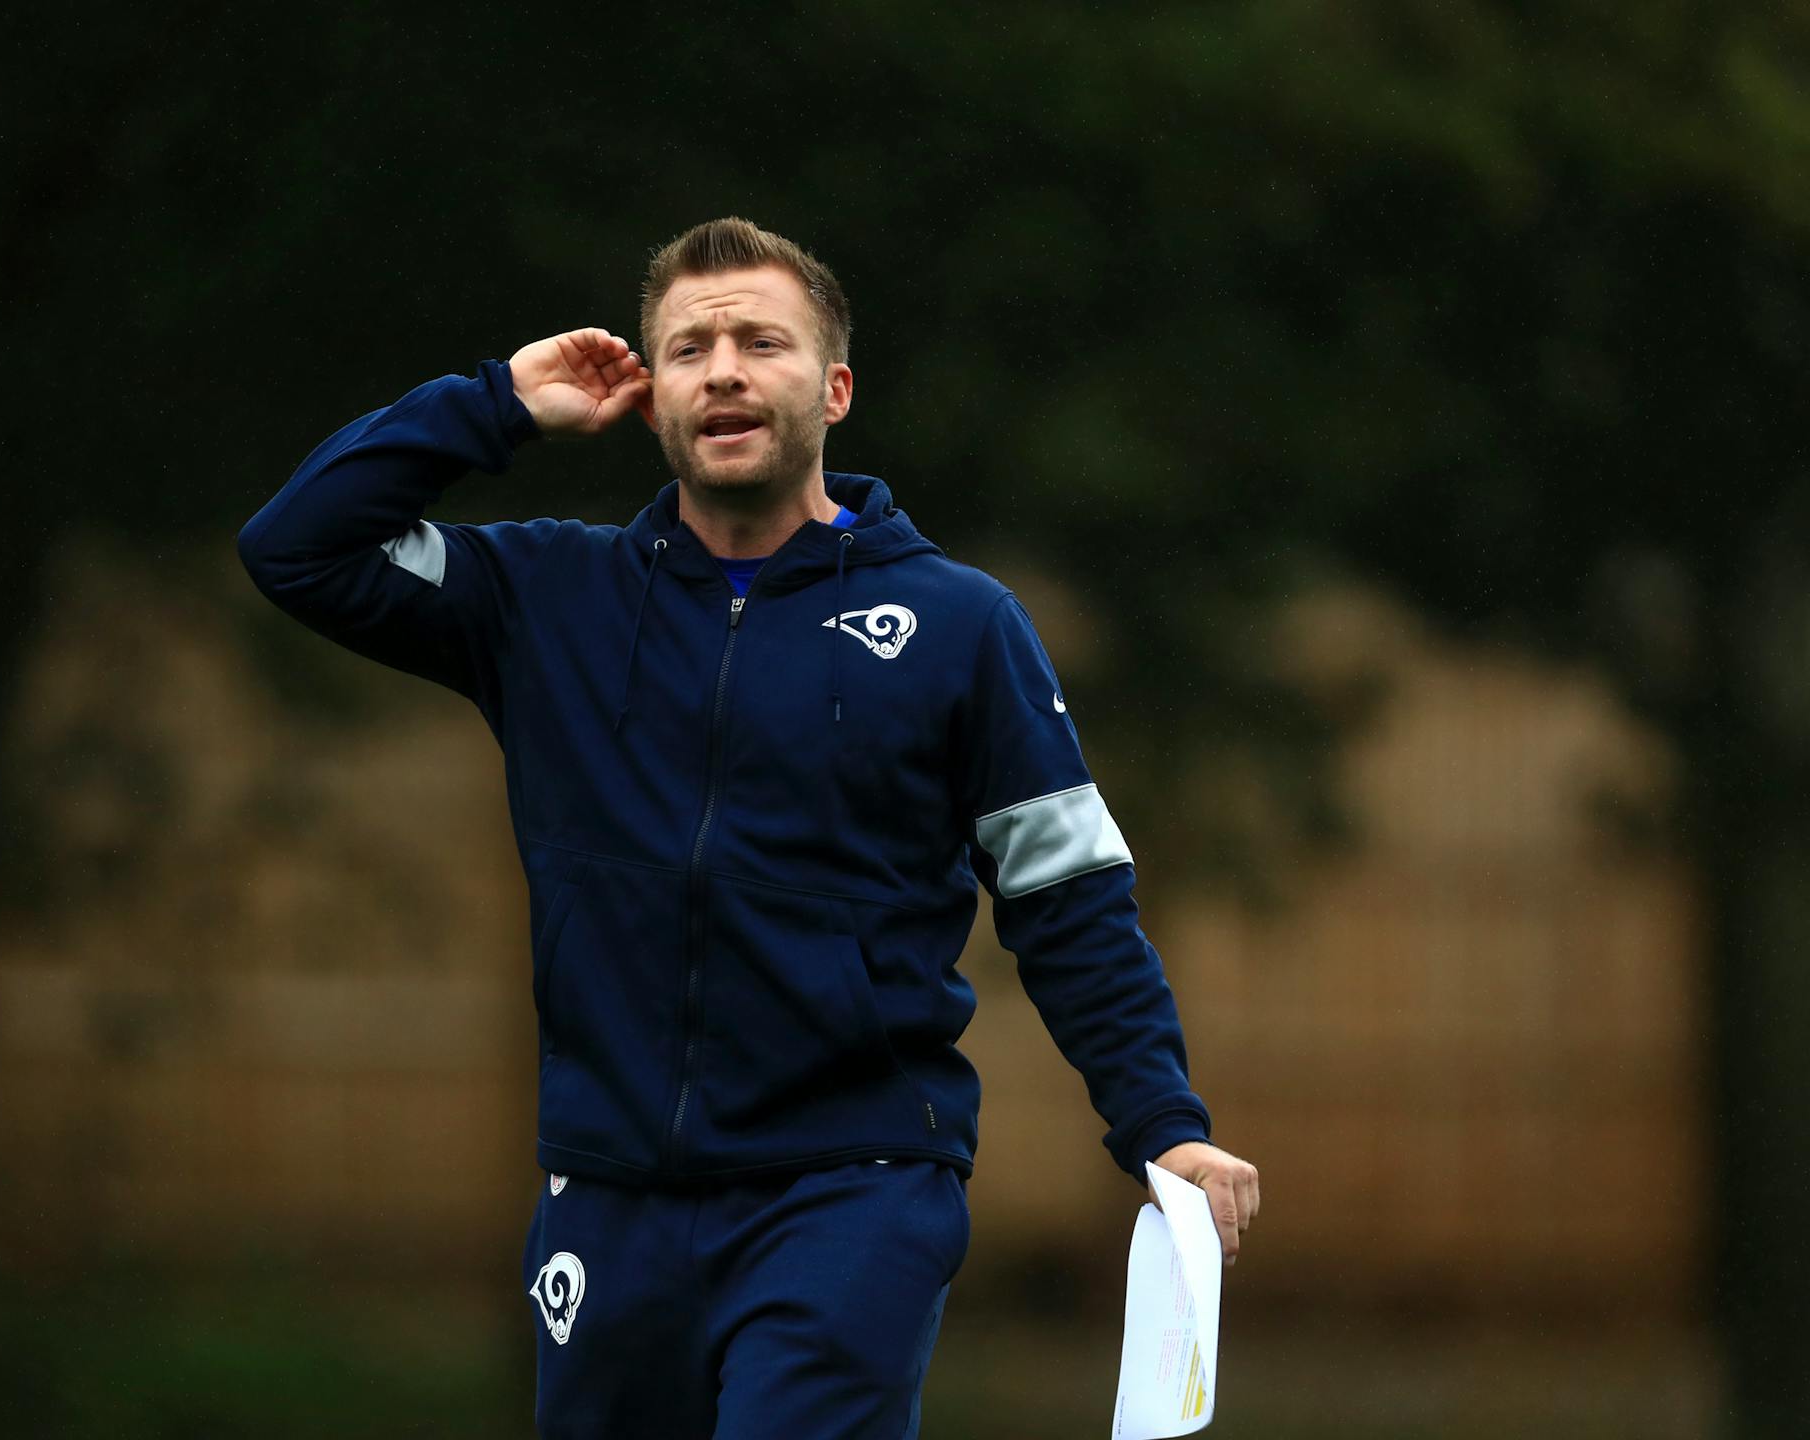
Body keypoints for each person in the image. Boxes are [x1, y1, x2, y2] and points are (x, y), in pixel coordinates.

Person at [237, 217, 1259, 1439]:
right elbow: (295, 548)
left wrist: (1165, 1126)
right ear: (653, 399)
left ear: (831, 389)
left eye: (760, 341)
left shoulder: (957, 625)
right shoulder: (544, 597)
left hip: (854, 1188)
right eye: (689, 348)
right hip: (606, 1198)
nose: (723, 367)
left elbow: (1069, 896)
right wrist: (495, 405)